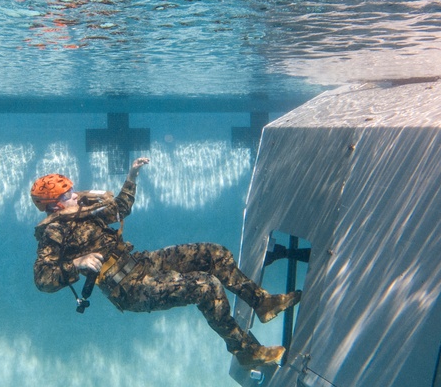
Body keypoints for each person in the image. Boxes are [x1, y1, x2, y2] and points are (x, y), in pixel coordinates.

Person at [31, 157, 300, 367]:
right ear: (54, 206)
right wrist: (77, 262)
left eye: (72, 190)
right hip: (127, 288)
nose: (75, 195)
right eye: (67, 195)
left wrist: (131, 176)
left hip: (139, 264)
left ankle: (262, 302)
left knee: (213, 253)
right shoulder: (54, 232)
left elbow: (121, 208)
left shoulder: (83, 211)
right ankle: (247, 351)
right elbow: (42, 280)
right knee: (205, 286)